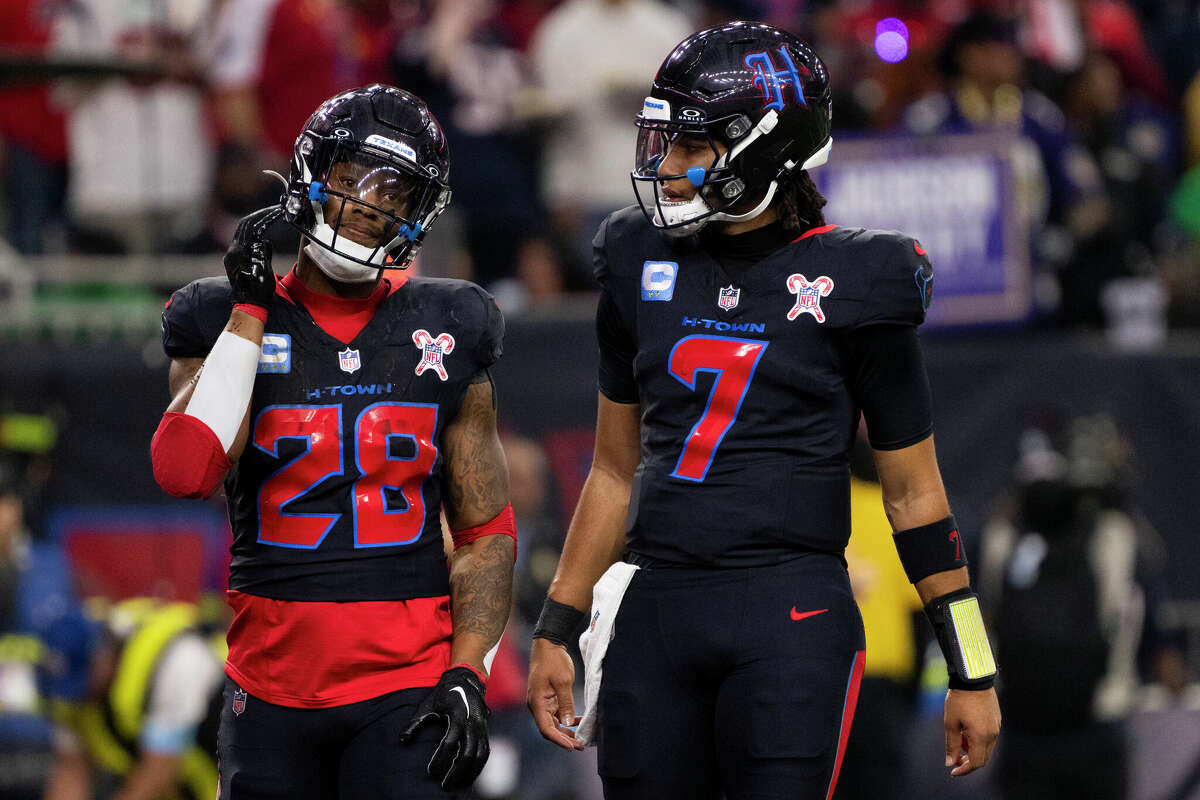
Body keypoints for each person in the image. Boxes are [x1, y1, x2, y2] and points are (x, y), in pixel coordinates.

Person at [525, 22, 1001, 799]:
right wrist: (556, 627)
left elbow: (918, 498)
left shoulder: (860, 276)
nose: (667, 168)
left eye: (693, 146)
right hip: (659, 606)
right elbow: (614, 469)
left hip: (790, 615)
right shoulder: (636, 255)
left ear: (764, 148)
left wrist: (972, 667)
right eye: (667, 142)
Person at [151, 84, 515, 798]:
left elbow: (486, 531)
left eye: (397, 193)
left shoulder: (450, 322)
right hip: (267, 685)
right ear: (312, 179)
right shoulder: (216, 317)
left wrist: (470, 668)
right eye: (353, 181)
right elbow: (186, 471)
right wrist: (250, 314)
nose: (370, 207)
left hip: (404, 692)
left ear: (420, 213)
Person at [38, 598, 225, 800]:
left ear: (104, 653)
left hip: (237, 764)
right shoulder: (66, 693)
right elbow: (71, 768)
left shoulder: (175, 660)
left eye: (83, 676)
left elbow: (160, 769)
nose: (78, 696)